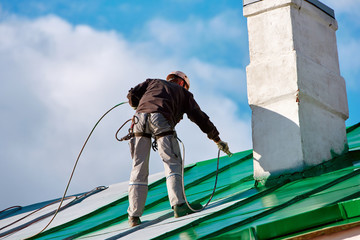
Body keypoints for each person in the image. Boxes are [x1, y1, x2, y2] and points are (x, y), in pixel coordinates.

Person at [126, 71, 230, 227]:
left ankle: (133, 217)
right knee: (172, 163)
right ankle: (179, 205)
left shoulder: (153, 82)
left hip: (138, 119)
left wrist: (137, 104)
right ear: (182, 83)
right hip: (160, 118)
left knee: (138, 168)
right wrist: (216, 138)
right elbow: (199, 117)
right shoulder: (184, 93)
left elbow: (132, 93)